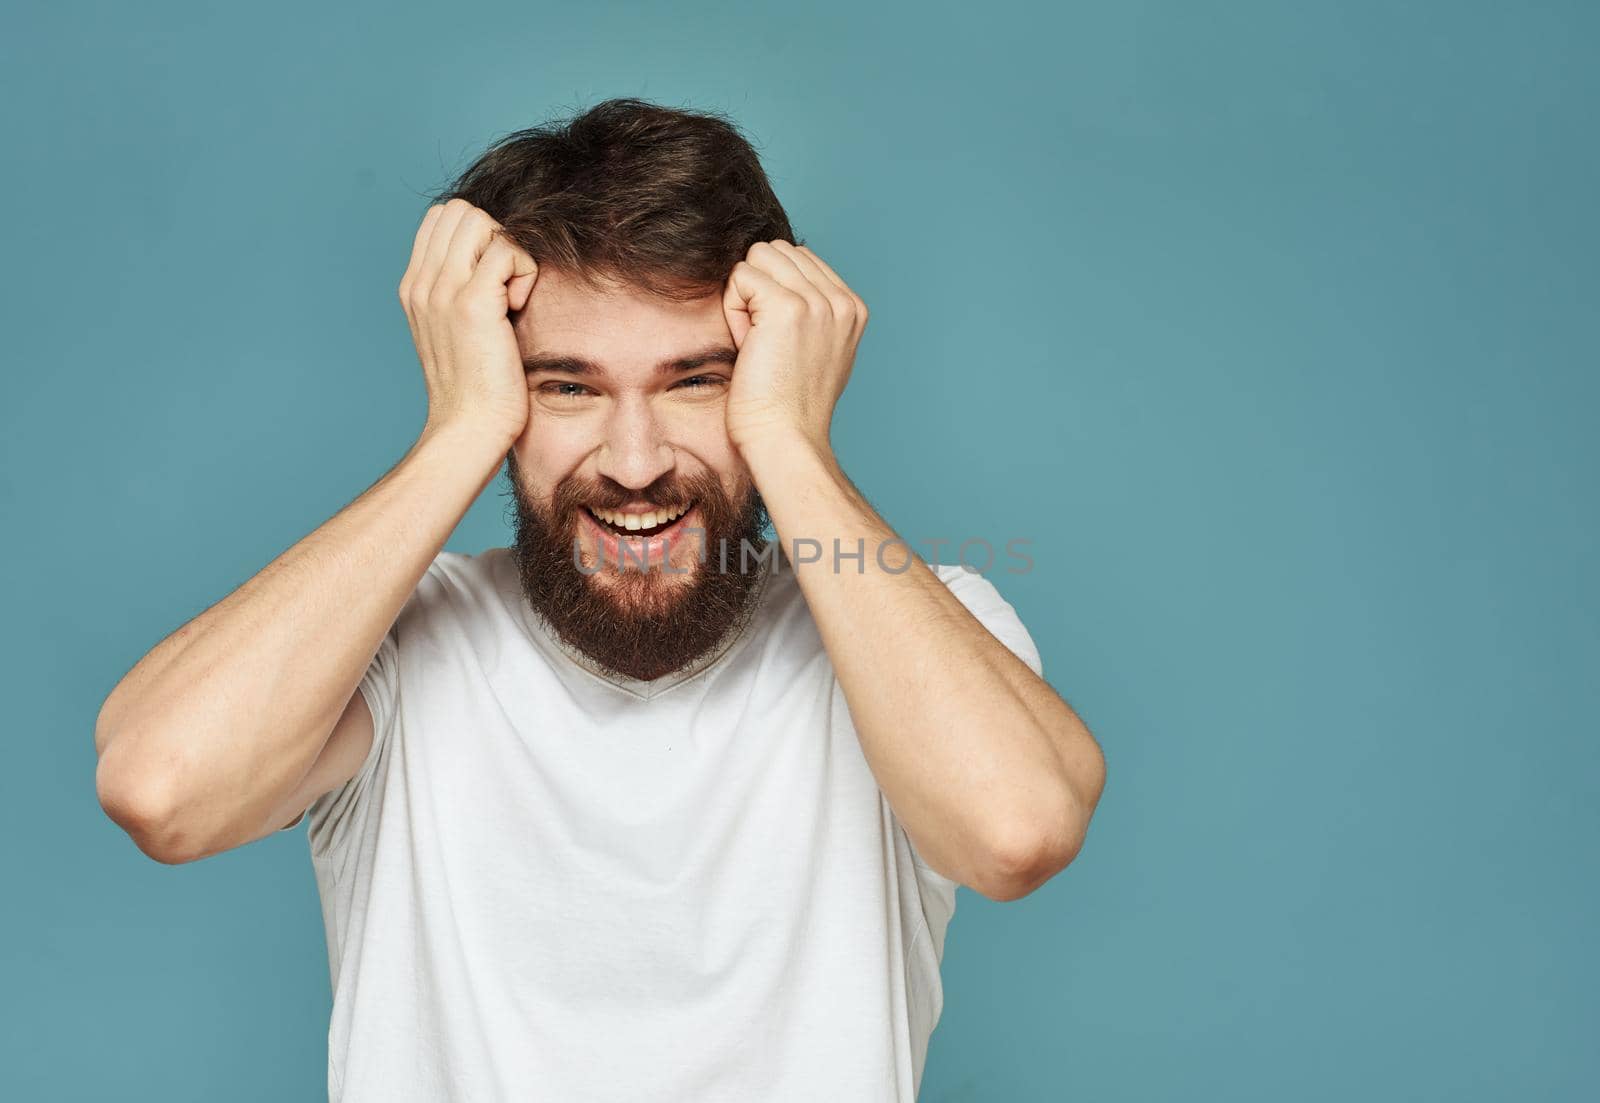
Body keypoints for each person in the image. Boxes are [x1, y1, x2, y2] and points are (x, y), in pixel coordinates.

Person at [93, 97, 1107, 1102]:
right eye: (566, 387)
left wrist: (792, 445)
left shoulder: (916, 630)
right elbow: (163, 787)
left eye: (694, 382)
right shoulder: (396, 647)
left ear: (776, 374)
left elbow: (1014, 829)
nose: (633, 463)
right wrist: (459, 429)